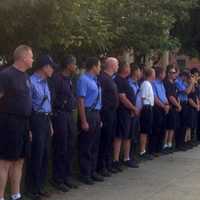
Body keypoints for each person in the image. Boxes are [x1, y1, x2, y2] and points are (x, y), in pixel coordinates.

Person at [0, 45, 33, 200]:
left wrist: (29, 128)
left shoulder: (26, 76)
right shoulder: (6, 75)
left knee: (19, 160)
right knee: (5, 162)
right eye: (31, 56)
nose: (33, 59)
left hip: (24, 124)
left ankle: (15, 195)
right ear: (23, 57)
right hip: (8, 124)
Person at [27, 55, 56, 200]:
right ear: (44, 67)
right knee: (36, 155)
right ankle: (32, 189)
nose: (52, 70)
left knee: (45, 154)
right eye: (51, 67)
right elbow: (28, 108)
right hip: (35, 120)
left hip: (45, 119)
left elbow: (47, 105)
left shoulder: (45, 83)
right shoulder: (31, 82)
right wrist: (29, 128)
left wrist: (49, 124)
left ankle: (40, 187)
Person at [50, 55, 78, 191]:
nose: (76, 66)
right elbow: (52, 98)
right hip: (60, 114)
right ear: (68, 65)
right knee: (61, 146)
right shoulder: (57, 78)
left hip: (69, 115)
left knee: (70, 145)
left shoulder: (69, 80)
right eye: (74, 64)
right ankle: (58, 178)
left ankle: (67, 176)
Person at [77, 57, 103, 185]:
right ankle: (85, 173)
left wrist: (99, 118)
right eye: (99, 66)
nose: (100, 68)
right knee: (86, 145)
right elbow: (81, 100)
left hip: (96, 114)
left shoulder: (95, 80)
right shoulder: (83, 79)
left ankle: (92, 171)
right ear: (93, 66)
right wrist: (83, 120)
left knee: (95, 144)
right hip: (88, 113)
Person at [113, 61, 139, 171]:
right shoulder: (118, 80)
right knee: (119, 135)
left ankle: (126, 158)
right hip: (122, 112)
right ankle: (116, 159)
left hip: (129, 113)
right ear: (125, 69)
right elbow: (122, 98)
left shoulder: (125, 81)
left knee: (128, 135)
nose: (130, 69)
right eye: (128, 66)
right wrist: (133, 108)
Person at [97, 57, 119, 177]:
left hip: (112, 113)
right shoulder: (103, 79)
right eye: (117, 64)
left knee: (110, 139)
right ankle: (101, 166)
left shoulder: (111, 79)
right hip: (106, 113)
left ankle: (108, 163)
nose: (118, 67)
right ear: (111, 65)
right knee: (104, 140)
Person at [150, 67, 170, 156]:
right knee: (156, 129)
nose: (165, 75)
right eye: (164, 73)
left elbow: (164, 96)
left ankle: (159, 149)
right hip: (157, 108)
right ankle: (153, 150)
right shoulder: (153, 83)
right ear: (160, 74)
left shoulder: (162, 84)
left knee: (162, 129)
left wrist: (167, 104)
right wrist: (163, 106)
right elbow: (155, 98)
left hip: (164, 108)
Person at [175, 70, 194, 150]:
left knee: (184, 124)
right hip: (181, 103)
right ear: (183, 76)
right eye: (187, 77)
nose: (187, 78)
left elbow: (192, 91)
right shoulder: (178, 82)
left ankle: (182, 143)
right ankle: (178, 144)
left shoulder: (184, 82)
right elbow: (186, 92)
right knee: (180, 124)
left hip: (185, 103)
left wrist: (191, 83)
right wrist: (192, 83)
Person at [164, 65, 181, 152]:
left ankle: (170, 144)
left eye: (175, 72)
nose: (175, 74)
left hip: (175, 107)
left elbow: (176, 95)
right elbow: (170, 96)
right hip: (170, 107)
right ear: (168, 73)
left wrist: (178, 104)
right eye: (173, 72)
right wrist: (178, 105)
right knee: (168, 127)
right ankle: (165, 144)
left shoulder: (173, 83)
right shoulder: (166, 83)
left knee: (173, 127)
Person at [139, 67, 155, 160]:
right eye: (153, 73)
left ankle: (144, 149)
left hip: (149, 107)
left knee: (147, 130)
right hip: (146, 108)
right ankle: (142, 151)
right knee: (144, 131)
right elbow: (143, 97)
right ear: (151, 74)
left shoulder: (149, 84)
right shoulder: (146, 84)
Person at [128, 64, 142, 159]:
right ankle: (128, 156)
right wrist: (133, 109)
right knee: (131, 135)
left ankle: (133, 155)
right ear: (135, 72)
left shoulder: (137, 83)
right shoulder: (129, 83)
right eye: (139, 70)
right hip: (132, 112)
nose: (140, 73)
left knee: (136, 134)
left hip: (138, 112)